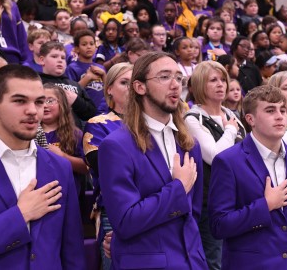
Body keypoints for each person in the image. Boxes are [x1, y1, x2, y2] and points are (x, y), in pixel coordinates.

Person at [0, 64, 85, 269]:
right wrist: (20, 216)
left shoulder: (60, 167)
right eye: (20, 101)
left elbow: (71, 250)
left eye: (39, 101)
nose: (33, 111)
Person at [98, 51, 208, 269]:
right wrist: (178, 188)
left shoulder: (190, 144)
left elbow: (192, 215)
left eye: (178, 77)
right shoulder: (116, 146)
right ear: (140, 87)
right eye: (164, 77)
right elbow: (126, 221)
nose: (175, 84)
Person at [208, 84, 287, 269]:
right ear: (250, 119)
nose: (280, 115)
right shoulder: (227, 161)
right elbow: (218, 225)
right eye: (270, 110)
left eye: (282, 109)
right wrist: (265, 206)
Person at [184, 60, 245, 270]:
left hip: (239, 199)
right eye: (213, 80)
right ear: (200, 84)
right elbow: (215, 156)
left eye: (223, 80)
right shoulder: (192, 118)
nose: (221, 84)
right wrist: (230, 131)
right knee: (214, 262)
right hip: (211, 203)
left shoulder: (232, 115)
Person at [83, 62, 133, 270]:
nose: (131, 88)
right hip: (115, 208)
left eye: (134, 82)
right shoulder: (98, 122)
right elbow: (103, 165)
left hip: (151, 204)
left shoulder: (152, 123)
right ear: (109, 89)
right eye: (124, 82)